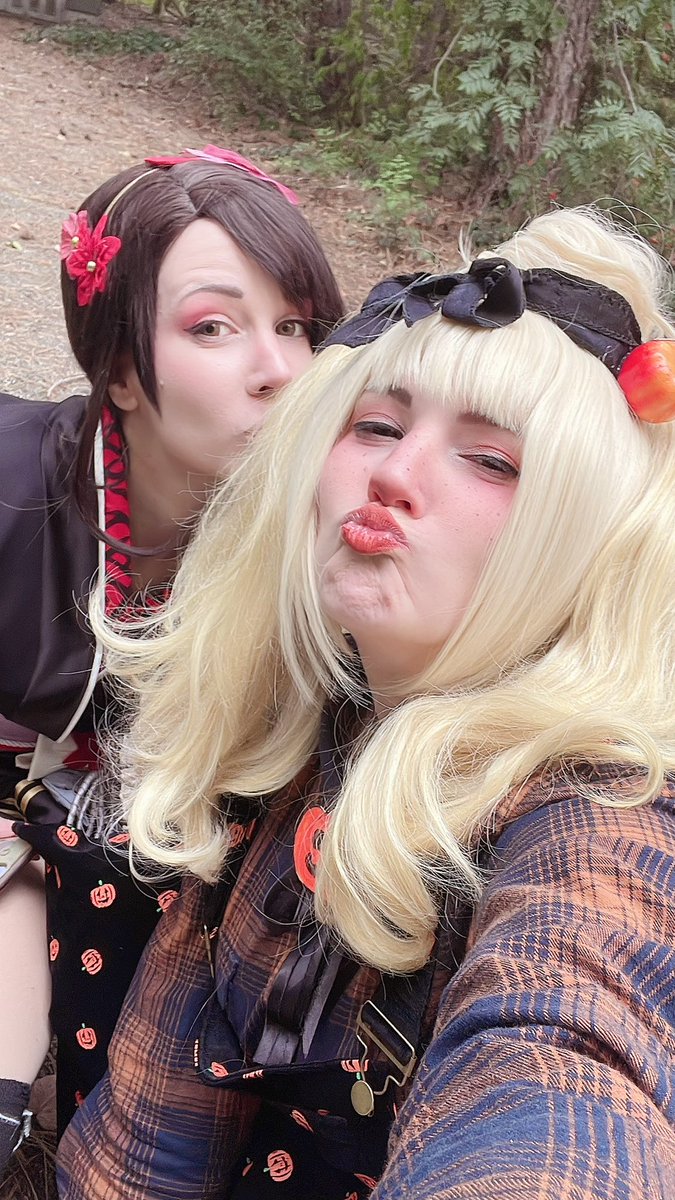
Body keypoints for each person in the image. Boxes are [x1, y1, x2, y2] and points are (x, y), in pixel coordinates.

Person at [59, 205, 675, 1199]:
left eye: (492, 460)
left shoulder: (600, 818)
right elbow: (148, 1125)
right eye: (378, 425)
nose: (392, 473)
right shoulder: (310, 717)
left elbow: (565, 1058)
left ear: (585, 535)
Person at [0, 145, 344, 1162]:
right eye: (213, 327)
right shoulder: (12, 489)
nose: (277, 370)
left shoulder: (336, 537)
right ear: (118, 369)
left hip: (159, 854)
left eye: (297, 326)